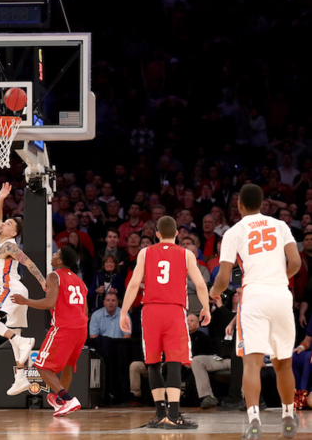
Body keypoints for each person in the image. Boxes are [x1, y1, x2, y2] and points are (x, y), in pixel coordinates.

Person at [210, 184, 301, 439]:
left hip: (254, 295)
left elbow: (224, 277)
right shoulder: (281, 226)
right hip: (281, 294)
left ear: (239, 204)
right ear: (263, 204)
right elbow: (295, 263)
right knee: (284, 363)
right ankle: (287, 415)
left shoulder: (234, 232)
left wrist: (213, 293)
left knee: (252, 363)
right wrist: (278, 279)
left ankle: (253, 420)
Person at [121, 215, 211, 430]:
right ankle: (174, 414)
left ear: (157, 234)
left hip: (150, 310)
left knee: (152, 362)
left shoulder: (145, 252)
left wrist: (124, 312)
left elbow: (134, 285)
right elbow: (200, 284)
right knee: (174, 361)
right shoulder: (186, 254)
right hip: (174, 310)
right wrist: (206, 307)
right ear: (177, 234)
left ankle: (160, 414)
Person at [0, 182, 46, 397]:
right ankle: (21, 377)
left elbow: (28, 262)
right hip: (18, 291)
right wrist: (0, 198)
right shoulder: (2, 240)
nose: (4, 223)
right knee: (15, 336)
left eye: (9, 223)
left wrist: (42, 281)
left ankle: (21, 341)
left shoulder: (9, 246)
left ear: (14, 232)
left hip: (11, 288)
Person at [11, 246, 87, 417]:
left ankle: (67, 399)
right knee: (68, 365)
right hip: (81, 328)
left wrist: (25, 301)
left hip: (64, 327)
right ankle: (61, 403)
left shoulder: (54, 276)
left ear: (60, 261)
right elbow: (85, 309)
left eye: (55, 254)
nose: (53, 255)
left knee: (41, 366)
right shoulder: (79, 280)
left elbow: (49, 304)